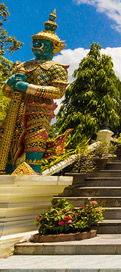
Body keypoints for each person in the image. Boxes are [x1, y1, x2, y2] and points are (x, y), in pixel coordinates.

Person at [0, 11, 70, 174]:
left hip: (39, 112)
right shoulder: (22, 66)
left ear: (54, 47)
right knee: (7, 143)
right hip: (16, 111)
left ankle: (33, 173)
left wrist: (27, 87)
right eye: (36, 41)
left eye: (43, 43)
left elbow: (57, 92)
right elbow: (7, 92)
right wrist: (10, 84)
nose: (38, 45)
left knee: (35, 142)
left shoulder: (56, 68)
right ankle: (7, 171)